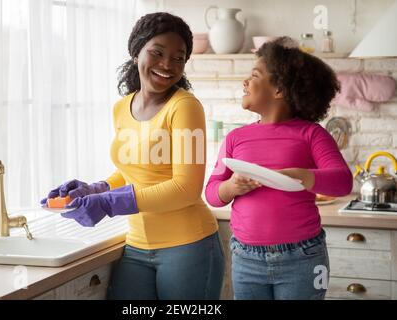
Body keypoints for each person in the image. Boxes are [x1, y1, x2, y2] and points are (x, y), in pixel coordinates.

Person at [41, 12, 224, 300]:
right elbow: (131, 173)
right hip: (137, 246)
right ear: (136, 51)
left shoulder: (185, 107)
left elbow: (186, 189)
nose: (167, 65)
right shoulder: (122, 107)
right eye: (157, 52)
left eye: (179, 58)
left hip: (188, 246)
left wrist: (110, 202)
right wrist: (95, 189)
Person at [204, 38, 353, 300]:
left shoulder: (312, 134)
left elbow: (342, 182)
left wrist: (305, 176)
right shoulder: (235, 138)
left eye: (254, 75)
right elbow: (213, 193)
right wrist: (232, 186)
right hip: (246, 258)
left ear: (280, 90)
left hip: (303, 258)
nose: (245, 82)